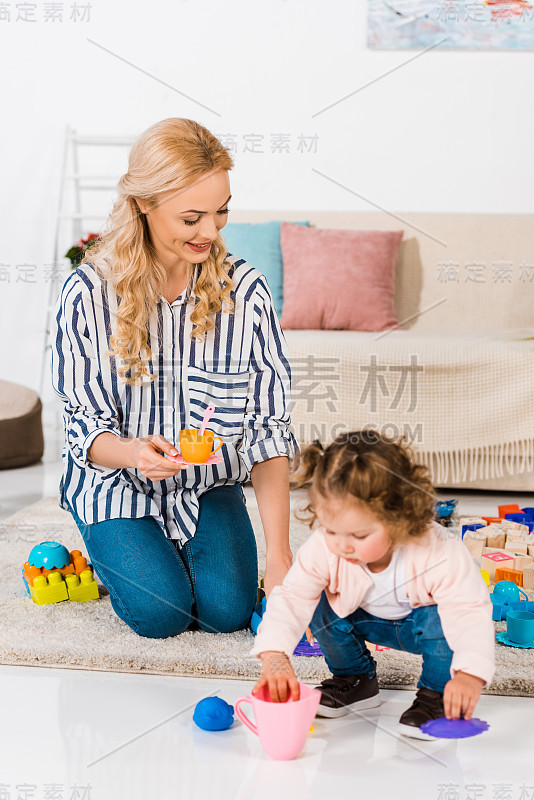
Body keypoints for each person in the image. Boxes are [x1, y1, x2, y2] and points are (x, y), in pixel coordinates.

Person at [50, 117, 300, 640]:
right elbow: (82, 429)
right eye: (192, 218)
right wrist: (132, 452)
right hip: (115, 481)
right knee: (162, 615)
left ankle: (182, 552)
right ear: (144, 204)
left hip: (208, 485)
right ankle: (114, 547)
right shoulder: (89, 295)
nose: (211, 232)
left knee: (224, 613)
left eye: (221, 212)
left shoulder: (246, 293)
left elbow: (267, 431)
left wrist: (280, 556)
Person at [250, 430, 495, 740]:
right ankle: (355, 679)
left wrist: (470, 674)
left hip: (423, 627)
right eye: (331, 529)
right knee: (318, 605)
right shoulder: (325, 546)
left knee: (443, 618)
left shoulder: (440, 550)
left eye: (359, 536)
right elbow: (292, 596)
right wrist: (274, 654)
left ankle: (435, 694)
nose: (341, 545)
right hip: (363, 619)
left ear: (400, 517)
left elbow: (470, 611)